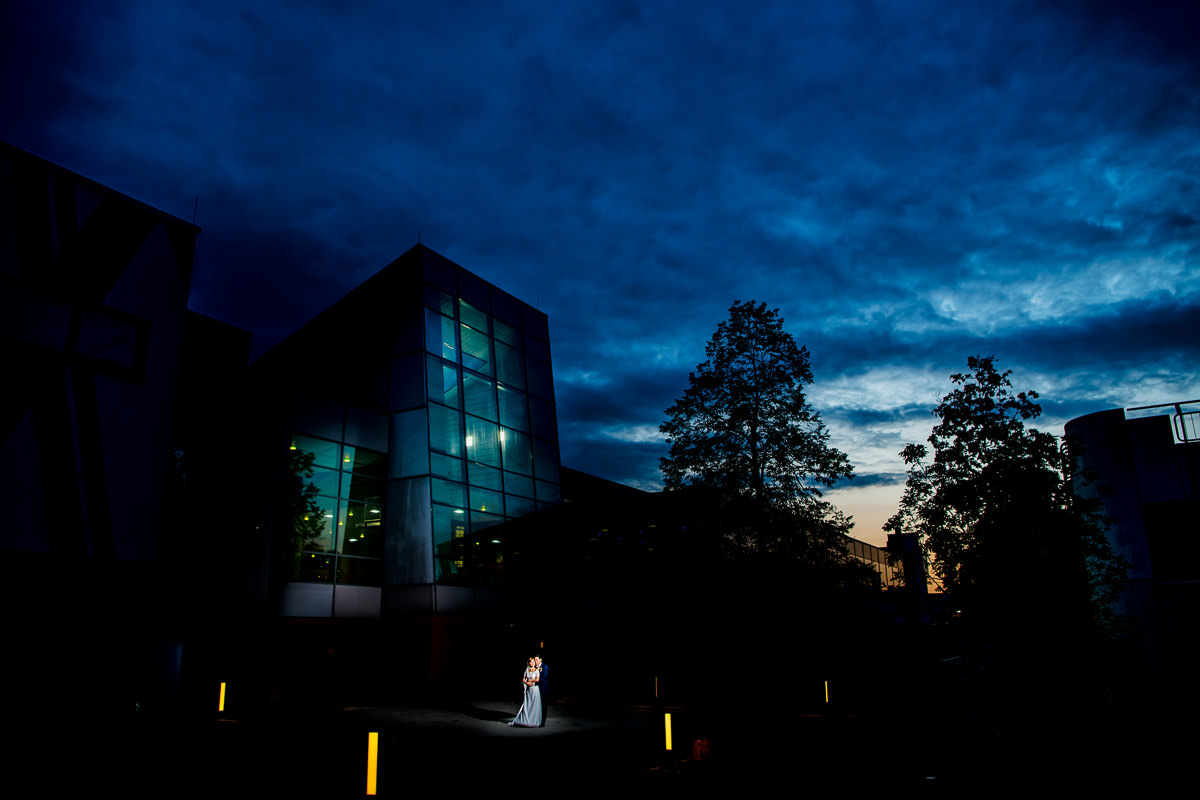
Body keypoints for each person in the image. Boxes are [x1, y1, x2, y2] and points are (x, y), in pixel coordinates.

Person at [508, 657, 542, 727]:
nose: (532, 663)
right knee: (528, 704)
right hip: (528, 690)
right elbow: (523, 679)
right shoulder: (527, 670)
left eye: (533, 662)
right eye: (531, 662)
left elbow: (537, 679)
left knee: (534, 705)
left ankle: (533, 721)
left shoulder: (536, 670)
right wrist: (527, 683)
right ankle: (526, 719)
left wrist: (530, 681)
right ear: (528, 663)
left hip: (534, 689)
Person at [534, 655, 549, 727]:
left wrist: (534, 682)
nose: (535, 661)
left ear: (540, 660)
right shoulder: (534, 666)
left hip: (543, 688)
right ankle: (535, 719)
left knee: (543, 705)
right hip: (535, 689)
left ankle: (543, 721)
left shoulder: (545, 667)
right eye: (535, 660)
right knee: (536, 704)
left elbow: (543, 677)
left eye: (536, 660)